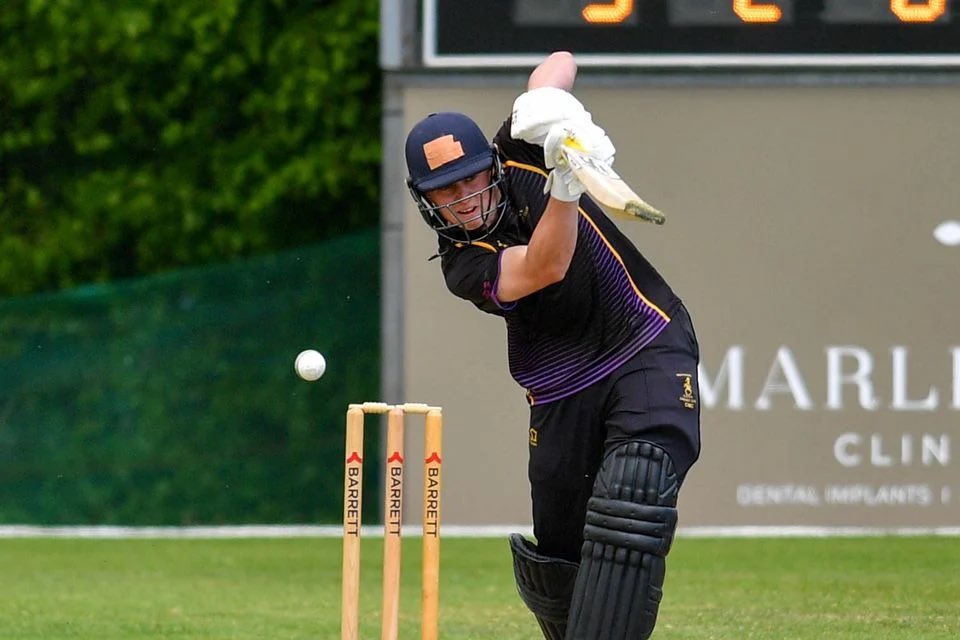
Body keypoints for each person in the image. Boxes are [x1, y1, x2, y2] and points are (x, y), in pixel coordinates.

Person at [404, 51, 701, 640]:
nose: (463, 198)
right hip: (561, 388)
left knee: (634, 488)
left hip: (643, 340)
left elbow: (559, 61)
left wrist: (553, 108)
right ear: (427, 202)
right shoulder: (464, 266)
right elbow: (546, 265)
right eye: (445, 192)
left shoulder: (518, 150)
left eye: (470, 179)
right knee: (562, 554)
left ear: (491, 164)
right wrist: (566, 184)